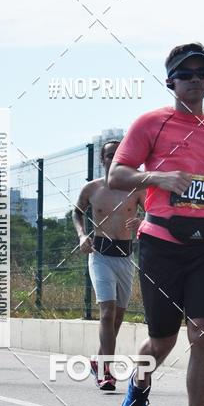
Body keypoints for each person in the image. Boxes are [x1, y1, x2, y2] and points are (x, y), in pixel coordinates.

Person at [108, 42, 204, 406]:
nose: (194, 81)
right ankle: (139, 383)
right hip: (161, 244)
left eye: (200, 74)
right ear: (170, 82)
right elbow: (117, 175)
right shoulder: (150, 123)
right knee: (161, 341)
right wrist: (158, 178)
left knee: (203, 333)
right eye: (185, 75)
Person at [73, 140, 145, 391]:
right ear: (102, 160)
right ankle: (106, 370)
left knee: (117, 318)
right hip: (100, 254)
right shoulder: (92, 189)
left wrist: (142, 223)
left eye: (119, 155)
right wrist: (82, 235)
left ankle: (97, 359)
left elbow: (152, 213)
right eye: (109, 155)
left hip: (125, 257)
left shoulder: (136, 188)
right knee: (107, 312)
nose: (114, 159)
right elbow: (77, 212)